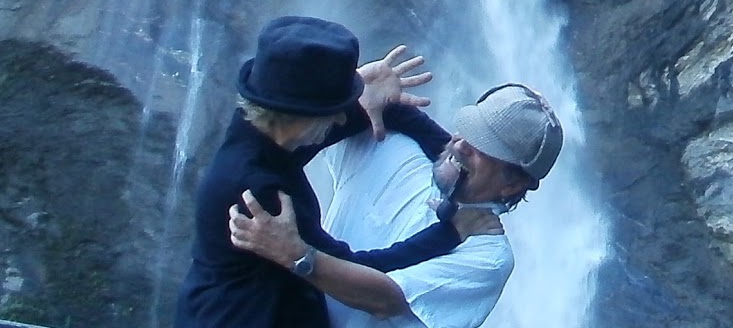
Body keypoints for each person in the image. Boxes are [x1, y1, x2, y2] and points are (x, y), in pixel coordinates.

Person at [174, 15, 469, 328]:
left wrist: (450, 155)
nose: (342, 121)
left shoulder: (260, 130)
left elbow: (374, 112)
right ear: (297, 113)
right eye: (333, 111)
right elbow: (352, 270)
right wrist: (452, 231)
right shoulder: (257, 191)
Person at [229, 81, 564, 328]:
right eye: (467, 130)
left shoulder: (488, 256)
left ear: (513, 183)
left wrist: (297, 256)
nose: (461, 145)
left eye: (483, 146)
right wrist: (361, 86)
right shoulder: (394, 148)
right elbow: (300, 126)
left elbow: (383, 298)